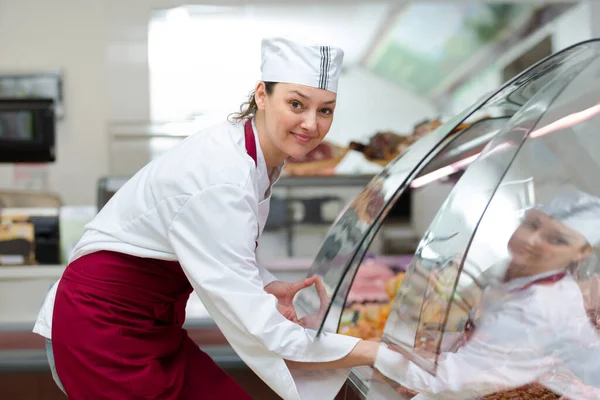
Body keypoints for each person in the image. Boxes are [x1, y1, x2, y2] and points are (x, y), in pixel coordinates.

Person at [32, 36, 380, 400]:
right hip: (102, 335)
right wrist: (375, 354)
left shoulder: (249, 153)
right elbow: (259, 328)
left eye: (325, 110)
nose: (311, 124)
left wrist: (261, 285)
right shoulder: (223, 175)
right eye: (296, 104)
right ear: (262, 95)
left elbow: (219, 244)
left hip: (151, 328)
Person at [372, 187, 600, 399]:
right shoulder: (512, 274)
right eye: (532, 225)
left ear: (581, 252)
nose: (531, 241)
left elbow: (471, 373)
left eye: (557, 239)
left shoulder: (546, 301)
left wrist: (377, 355)